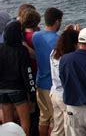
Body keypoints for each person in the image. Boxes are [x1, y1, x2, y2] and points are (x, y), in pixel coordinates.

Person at [0, 21, 36, 136]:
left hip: (2, 91)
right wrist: (32, 93)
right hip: (18, 90)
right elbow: (27, 73)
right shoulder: (21, 50)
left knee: (7, 122)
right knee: (25, 122)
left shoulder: (0, 48)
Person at [32, 7, 63, 136]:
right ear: (57, 22)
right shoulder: (58, 40)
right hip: (52, 86)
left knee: (43, 117)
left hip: (39, 83)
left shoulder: (36, 36)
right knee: (54, 121)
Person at [49, 29, 79, 136]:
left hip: (55, 93)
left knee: (58, 129)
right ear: (74, 44)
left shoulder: (54, 53)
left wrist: (70, 32)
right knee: (69, 130)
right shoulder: (68, 60)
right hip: (65, 98)